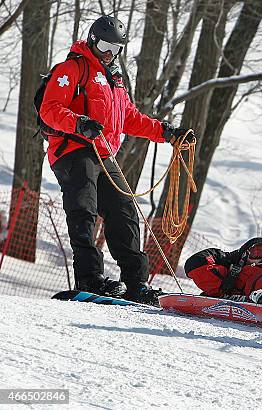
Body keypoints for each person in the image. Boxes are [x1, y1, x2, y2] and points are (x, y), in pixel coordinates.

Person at [40, 15, 194, 305]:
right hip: (74, 149)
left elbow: (130, 118)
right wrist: (78, 122)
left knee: (124, 211)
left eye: (116, 47)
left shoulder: (115, 81)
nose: (110, 53)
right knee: (83, 208)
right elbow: (50, 109)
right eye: (105, 45)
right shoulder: (72, 68)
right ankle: (90, 277)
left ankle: (136, 283)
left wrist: (167, 133)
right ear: (93, 40)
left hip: (103, 153)